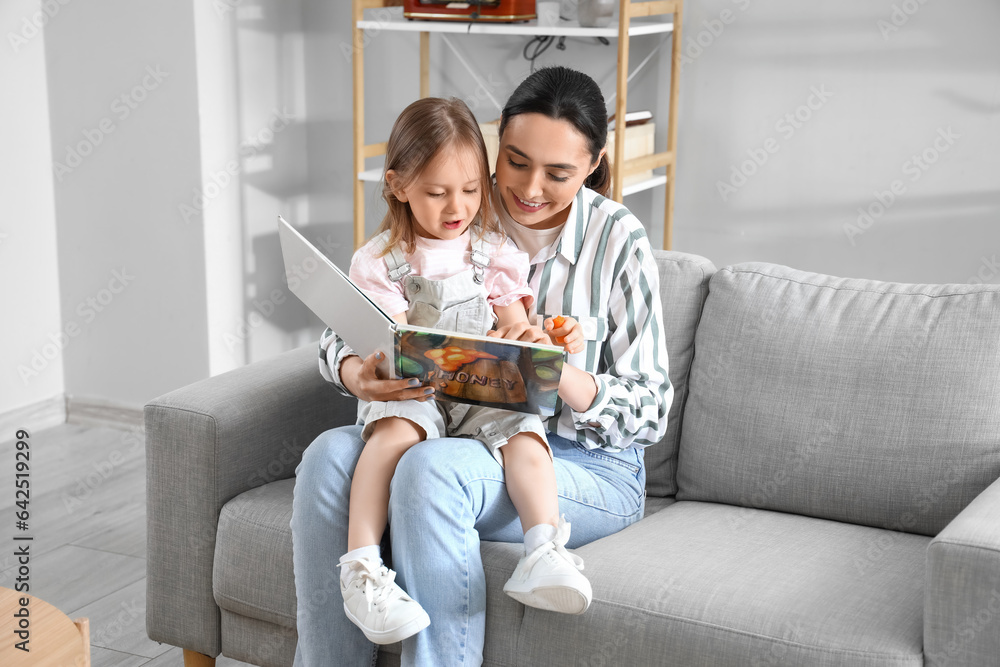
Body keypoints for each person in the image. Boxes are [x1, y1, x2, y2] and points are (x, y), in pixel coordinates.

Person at [292, 65, 672, 667]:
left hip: (585, 459)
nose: (528, 188)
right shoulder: (457, 196)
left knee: (431, 470)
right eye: (515, 161)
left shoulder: (616, 239)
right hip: (452, 417)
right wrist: (352, 371)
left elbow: (651, 407)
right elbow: (349, 319)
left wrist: (551, 371)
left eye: (559, 173)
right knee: (327, 457)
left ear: (595, 163)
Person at [337, 96, 590, 646]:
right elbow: (390, 339)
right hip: (415, 386)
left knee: (525, 433)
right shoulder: (379, 260)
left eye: (473, 190)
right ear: (398, 185)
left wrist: (531, 336)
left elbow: (515, 323)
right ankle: (361, 569)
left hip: (481, 383)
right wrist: (375, 363)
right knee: (392, 433)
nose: (458, 206)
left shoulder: (493, 250)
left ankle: (544, 549)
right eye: (437, 192)